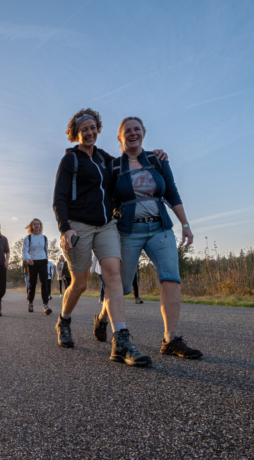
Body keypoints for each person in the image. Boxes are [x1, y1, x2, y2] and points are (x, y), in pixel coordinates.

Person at [53, 108, 167, 366]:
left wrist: (155, 156)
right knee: (79, 284)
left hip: (106, 225)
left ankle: (121, 340)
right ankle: (64, 321)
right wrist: (65, 228)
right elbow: (59, 198)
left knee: (113, 275)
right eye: (84, 130)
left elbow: (130, 161)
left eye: (93, 128)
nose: (90, 133)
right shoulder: (70, 161)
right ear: (76, 134)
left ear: (98, 129)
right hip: (78, 227)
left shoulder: (105, 158)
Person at [109, 116, 202, 359]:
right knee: (123, 286)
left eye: (136, 129)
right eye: (126, 130)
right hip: (128, 232)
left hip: (160, 229)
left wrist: (186, 224)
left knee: (171, 277)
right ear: (120, 137)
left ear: (143, 133)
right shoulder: (114, 166)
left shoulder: (156, 160)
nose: (132, 133)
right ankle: (104, 318)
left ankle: (171, 339)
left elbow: (171, 191)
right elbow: (106, 200)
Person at [22, 218, 52, 315]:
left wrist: (46, 260)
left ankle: (45, 305)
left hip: (43, 261)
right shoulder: (28, 238)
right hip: (32, 262)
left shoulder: (44, 238)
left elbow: (46, 250)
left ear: (40, 226)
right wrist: (28, 258)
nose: (36, 226)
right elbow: (25, 250)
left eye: (38, 224)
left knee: (44, 283)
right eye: (34, 224)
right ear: (32, 226)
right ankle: (30, 302)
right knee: (32, 283)